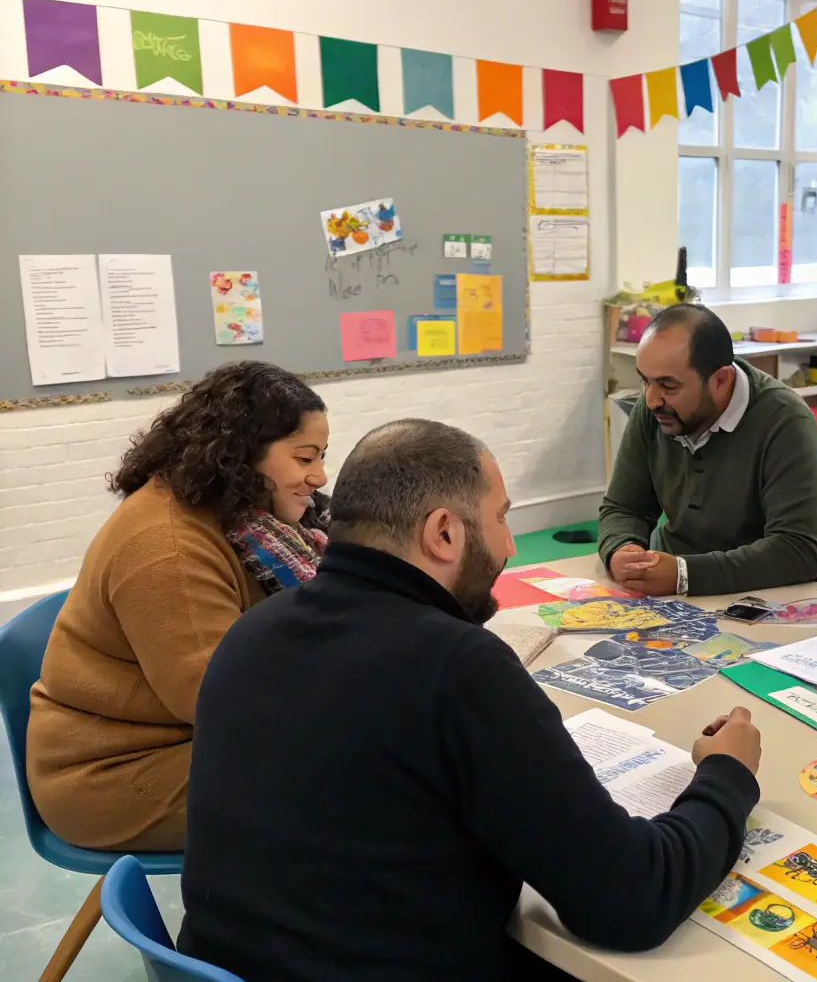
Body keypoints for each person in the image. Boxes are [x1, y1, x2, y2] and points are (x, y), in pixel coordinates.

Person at [177, 419, 762, 982]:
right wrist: (725, 777)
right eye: (501, 518)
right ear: (444, 533)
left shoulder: (251, 631)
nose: (509, 544)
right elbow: (633, 900)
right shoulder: (458, 666)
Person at [26, 362, 328, 852]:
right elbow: (221, 702)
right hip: (111, 776)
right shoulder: (169, 547)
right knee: (359, 784)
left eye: (321, 456)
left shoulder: (235, 517)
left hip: (174, 742)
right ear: (243, 454)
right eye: (304, 458)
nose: (319, 476)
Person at [599, 304, 817, 597]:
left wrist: (685, 575)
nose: (652, 400)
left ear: (721, 380)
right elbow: (624, 507)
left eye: (668, 386)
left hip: (756, 597)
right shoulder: (654, 408)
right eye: (645, 381)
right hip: (668, 591)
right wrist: (621, 549)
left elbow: (798, 550)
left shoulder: (785, 421)